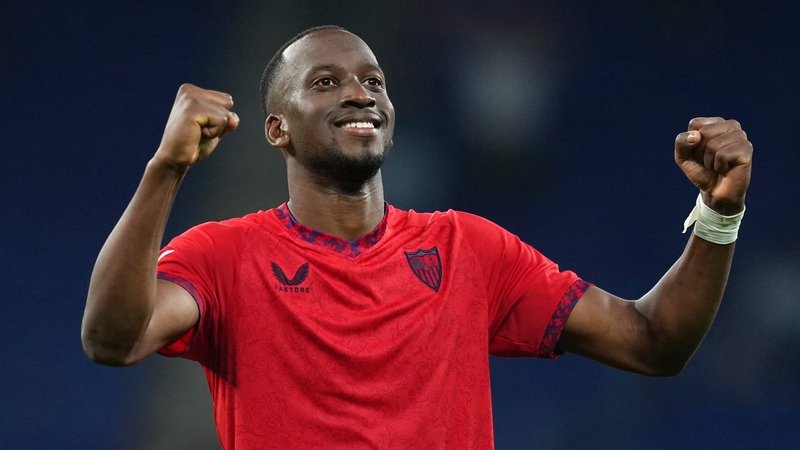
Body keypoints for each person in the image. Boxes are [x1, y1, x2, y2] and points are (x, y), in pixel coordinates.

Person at [81, 25, 753, 449]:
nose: (360, 92)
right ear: (277, 129)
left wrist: (719, 213)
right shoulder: (226, 257)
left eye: (373, 80)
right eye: (326, 82)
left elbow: (652, 342)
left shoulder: (471, 250)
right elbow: (112, 338)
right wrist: (165, 170)